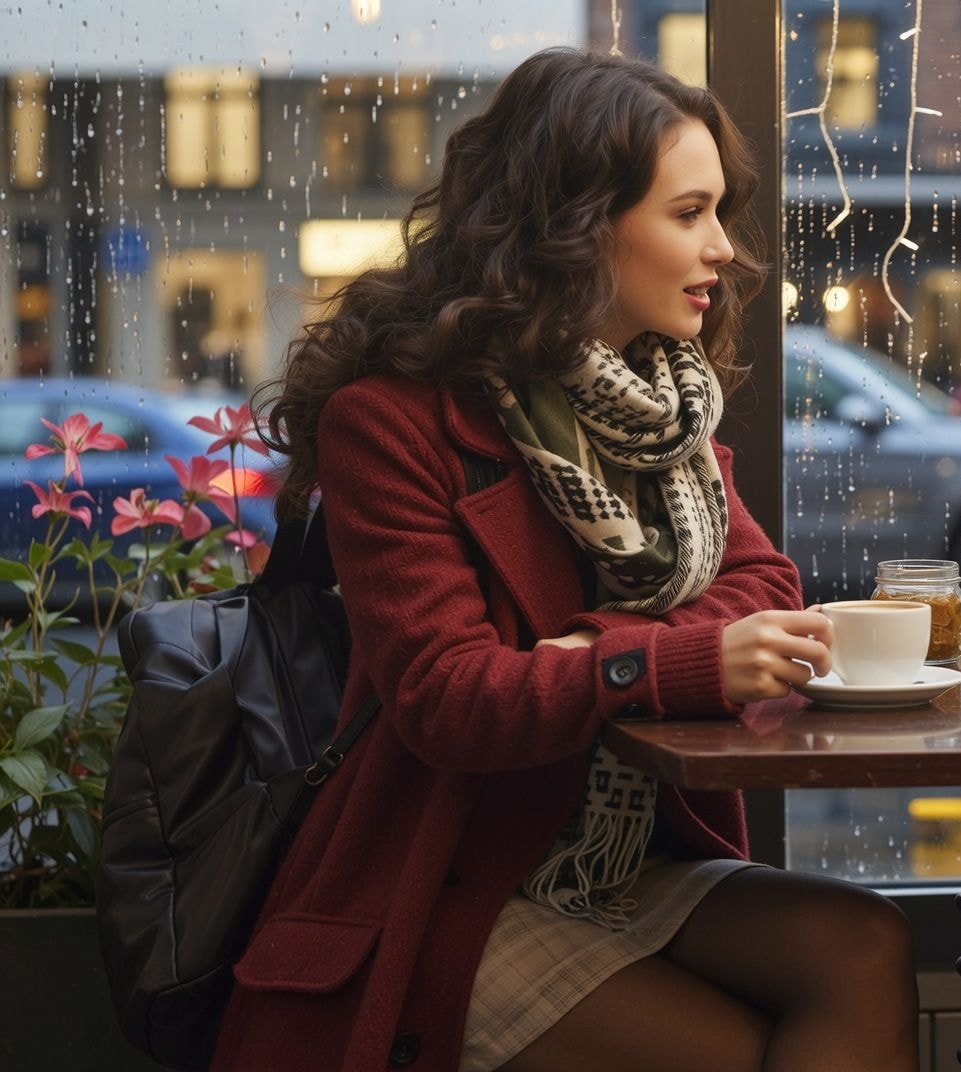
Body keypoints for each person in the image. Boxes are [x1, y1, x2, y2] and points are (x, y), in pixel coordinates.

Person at [218, 50, 919, 1072]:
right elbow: (447, 697)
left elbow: (764, 584)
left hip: (617, 856)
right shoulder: (393, 422)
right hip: (445, 877)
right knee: (739, 1050)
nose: (724, 248)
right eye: (689, 213)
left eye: (719, 212)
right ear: (578, 225)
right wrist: (674, 661)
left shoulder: (658, 408)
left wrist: (594, 647)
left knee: (867, 942)